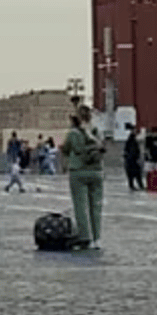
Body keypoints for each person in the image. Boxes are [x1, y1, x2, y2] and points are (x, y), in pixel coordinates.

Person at [62, 106, 105, 249]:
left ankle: (85, 237)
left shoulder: (74, 133)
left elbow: (66, 149)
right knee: (96, 207)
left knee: (81, 206)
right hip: (97, 171)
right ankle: (97, 238)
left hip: (78, 171)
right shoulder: (97, 131)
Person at [123, 125, 143, 192]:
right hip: (132, 159)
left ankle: (137, 185)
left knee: (134, 173)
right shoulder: (131, 140)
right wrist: (135, 158)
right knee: (134, 173)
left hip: (131, 159)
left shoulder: (131, 139)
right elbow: (132, 150)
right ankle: (135, 186)